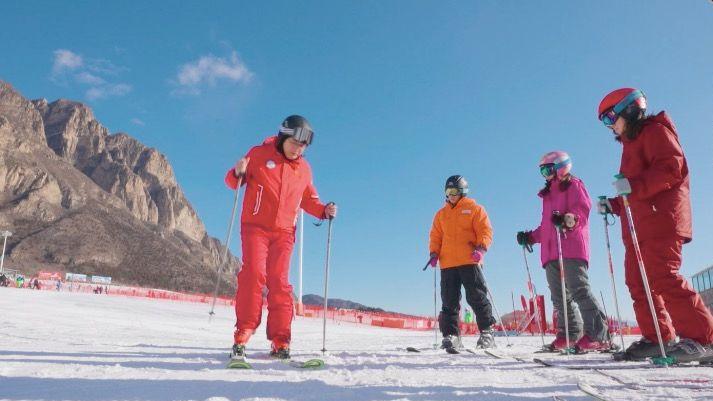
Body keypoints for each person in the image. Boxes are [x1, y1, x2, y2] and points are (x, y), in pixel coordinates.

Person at [596, 88, 713, 362]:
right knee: (637, 283)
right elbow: (633, 192)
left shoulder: (655, 131)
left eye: (610, 117)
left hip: (662, 219)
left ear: (629, 109)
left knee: (663, 277)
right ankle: (657, 337)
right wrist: (614, 204)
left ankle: (703, 339)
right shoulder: (630, 145)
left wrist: (632, 186)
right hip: (638, 227)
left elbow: (672, 168)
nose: (609, 126)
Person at [224, 115, 337, 361]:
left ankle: (281, 340)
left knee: (279, 282)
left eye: (303, 146)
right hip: (255, 227)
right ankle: (243, 332)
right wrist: (237, 172)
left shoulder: (304, 169)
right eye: (294, 143)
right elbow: (233, 182)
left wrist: (324, 211)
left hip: (284, 232)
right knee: (254, 274)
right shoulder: (258, 154)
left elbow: (310, 199)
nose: (298, 149)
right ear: (283, 138)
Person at [517, 151, 611, 352]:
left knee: (579, 290)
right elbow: (547, 227)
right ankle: (569, 334)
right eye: (542, 172)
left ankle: (599, 335)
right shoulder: (548, 194)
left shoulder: (574, 185)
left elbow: (581, 211)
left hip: (570, 246)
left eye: (547, 170)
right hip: (551, 252)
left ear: (561, 167)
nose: (545, 175)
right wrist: (530, 237)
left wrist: (570, 219)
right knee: (559, 297)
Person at [429, 175, 496, 351]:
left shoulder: (475, 209)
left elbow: (485, 230)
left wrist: (481, 249)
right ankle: (452, 336)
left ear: (463, 191)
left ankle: (487, 331)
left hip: (470, 260)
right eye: (447, 191)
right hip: (448, 263)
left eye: (454, 191)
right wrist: (434, 253)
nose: (450, 195)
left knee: (476, 297)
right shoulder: (441, 214)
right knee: (449, 301)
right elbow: (436, 236)